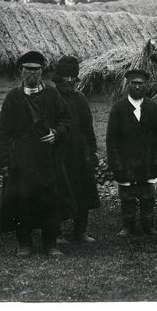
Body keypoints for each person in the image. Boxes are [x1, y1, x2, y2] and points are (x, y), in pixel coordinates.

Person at [0, 50, 74, 256]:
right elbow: (3, 133)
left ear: (42, 72)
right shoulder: (13, 97)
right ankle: (24, 244)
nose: (32, 74)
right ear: (21, 72)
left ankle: (50, 244)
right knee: (22, 201)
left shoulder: (52, 94)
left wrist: (56, 133)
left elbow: (66, 120)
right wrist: (3, 163)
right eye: (28, 70)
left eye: (36, 70)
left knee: (49, 199)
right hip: (21, 159)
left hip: (48, 158)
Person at [106, 68, 157, 237]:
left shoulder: (153, 107)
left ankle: (149, 226)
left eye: (141, 84)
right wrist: (116, 163)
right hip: (126, 163)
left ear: (146, 86)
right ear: (128, 85)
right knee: (127, 196)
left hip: (148, 162)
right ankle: (128, 226)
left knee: (148, 195)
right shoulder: (118, 109)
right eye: (134, 83)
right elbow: (111, 139)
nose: (138, 87)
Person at [53, 56, 100, 243]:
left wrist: (92, 149)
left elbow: (88, 126)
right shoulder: (51, 96)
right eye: (66, 77)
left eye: (73, 77)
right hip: (58, 152)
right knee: (58, 192)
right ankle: (56, 233)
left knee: (83, 191)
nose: (70, 81)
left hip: (79, 153)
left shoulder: (79, 98)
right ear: (58, 78)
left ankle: (80, 231)